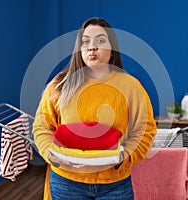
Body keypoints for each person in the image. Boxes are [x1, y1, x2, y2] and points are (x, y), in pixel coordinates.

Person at [32, 17, 157, 200]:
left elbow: (145, 129)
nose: (92, 47)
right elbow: (42, 127)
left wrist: (125, 158)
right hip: (66, 182)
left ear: (112, 49)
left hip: (115, 184)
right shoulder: (60, 85)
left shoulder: (131, 87)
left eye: (100, 40)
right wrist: (51, 154)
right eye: (85, 41)